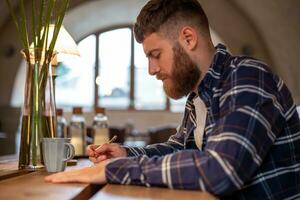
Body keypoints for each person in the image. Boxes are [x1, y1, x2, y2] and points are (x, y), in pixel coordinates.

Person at [45, 0, 300, 199]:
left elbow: (222, 170)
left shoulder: (248, 77)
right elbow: (180, 148)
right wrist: (126, 154)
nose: (151, 69)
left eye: (155, 54)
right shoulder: (199, 95)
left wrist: (115, 170)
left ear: (188, 39)